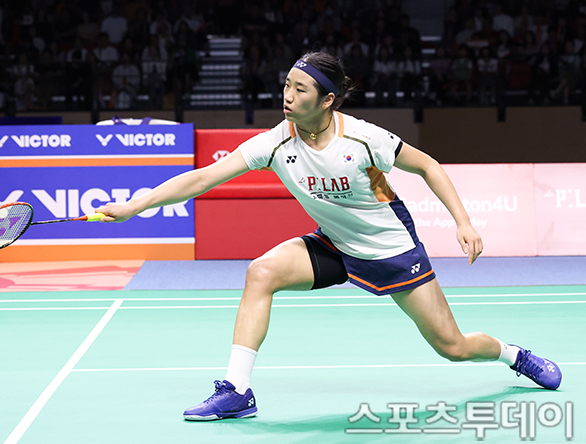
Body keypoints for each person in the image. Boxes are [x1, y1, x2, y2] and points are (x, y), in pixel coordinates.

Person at [96, 51, 562, 421]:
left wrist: (463, 221)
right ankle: (237, 390)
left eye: (300, 89)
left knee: (452, 346)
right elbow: (203, 178)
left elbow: (428, 166)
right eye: (287, 85)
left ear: (327, 101)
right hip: (335, 244)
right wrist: (135, 206)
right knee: (261, 272)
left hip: (390, 250)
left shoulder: (361, 138)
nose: (287, 96)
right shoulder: (276, 141)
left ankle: (514, 355)